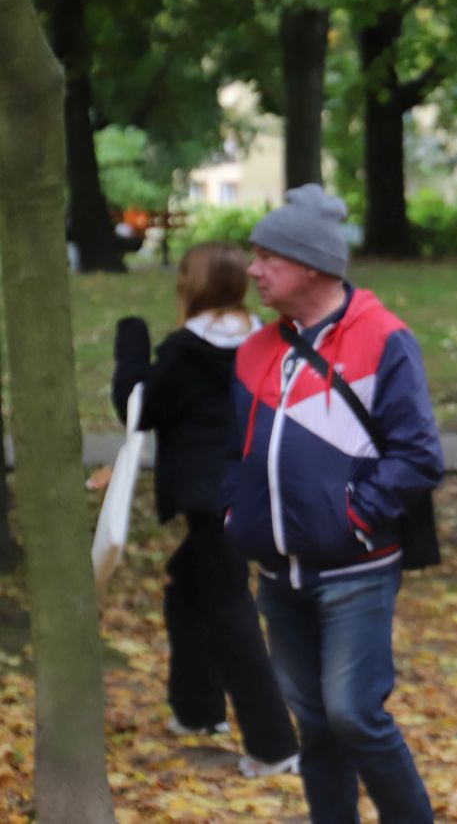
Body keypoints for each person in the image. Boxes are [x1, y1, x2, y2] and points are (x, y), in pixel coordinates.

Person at [223, 184, 444, 824]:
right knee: (315, 726)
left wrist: (352, 517)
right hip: (276, 574)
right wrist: (237, 515)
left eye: (268, 257)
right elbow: (228, 455)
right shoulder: (255, 350)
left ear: (314, 264)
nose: (253, 270)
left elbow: (419, 456)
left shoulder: (383, 339)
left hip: (355, 572)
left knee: (354, 716)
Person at [111, 241, 300, 778]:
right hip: (253, 490)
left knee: (230, 611)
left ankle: (275, 745)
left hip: (211, 501)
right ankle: (197, 712)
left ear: (192, 287)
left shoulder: (184, 351)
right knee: (186, 589)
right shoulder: (267, 341)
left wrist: (131, 344)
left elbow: (137, 408)